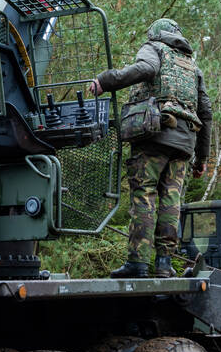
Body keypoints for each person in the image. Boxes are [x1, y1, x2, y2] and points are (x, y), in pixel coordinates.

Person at [90, 18, 212, 278]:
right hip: (185, 143)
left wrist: (105, 81)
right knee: (171, 201)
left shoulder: (154, 48)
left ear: (155, 34)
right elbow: (206, 112)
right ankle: (165, 264)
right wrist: (203, 158)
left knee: (144, 197)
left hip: (155, 137)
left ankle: (138, 263)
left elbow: (145, 69)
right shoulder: (192, 66)